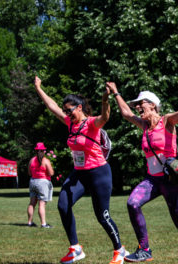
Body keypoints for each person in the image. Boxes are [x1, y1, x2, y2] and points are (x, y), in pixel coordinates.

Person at [107, 81, 178, 264]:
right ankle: (144, 249)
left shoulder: (167, 121)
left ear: (152, 104)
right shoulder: (144, 126)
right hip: (152, 180)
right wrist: (115, 93)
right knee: (133, 203)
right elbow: (126, 113)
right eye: (136, 105)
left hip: (172, 181)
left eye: (141, 103)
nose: (137, 107)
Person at [34, 76, 128, 264]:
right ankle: (75, 249)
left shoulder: (91, 124)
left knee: (102, 215)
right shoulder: (70, 123)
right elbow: (52, 107)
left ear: (79, 108)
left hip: (99, 173)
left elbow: (105, 117)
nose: (66, 114)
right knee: (63, 205)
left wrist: (105, 99)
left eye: (69, 110)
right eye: (65, 111)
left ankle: (120, 250)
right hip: (80, 174)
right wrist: (38, 88)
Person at [27, 142, 54, 228]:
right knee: (41, 204)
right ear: (44, 151)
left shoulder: (32, 160)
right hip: (43, 182)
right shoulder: (46, 161)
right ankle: (43, 223)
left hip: (33, 181)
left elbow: (29, 173)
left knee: (32, 203)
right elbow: (51, 173)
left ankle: (29, 222)